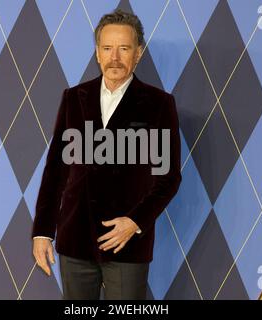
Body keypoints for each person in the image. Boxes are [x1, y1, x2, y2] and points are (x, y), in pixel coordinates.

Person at [32, 9, 181, 300]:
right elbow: (55, 172)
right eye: (107, 48)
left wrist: (134, 223)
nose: (115, 57)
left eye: (124, 48)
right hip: (75, 239)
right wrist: (43, 232)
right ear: (98, 53)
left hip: (127, 244)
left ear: (138, 53)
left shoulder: (159, 104)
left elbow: (169, 178)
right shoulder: (74, 98)